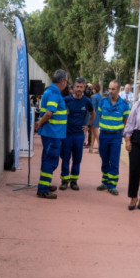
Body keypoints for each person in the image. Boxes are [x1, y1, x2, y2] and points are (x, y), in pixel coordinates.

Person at [34, 70, 69, 199]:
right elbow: (49, 113)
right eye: (66, 81)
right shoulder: (54, 93)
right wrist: (40, 124)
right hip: (53, 133)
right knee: (51, 160)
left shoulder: (49, 91)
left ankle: (45, 184)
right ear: (62, 81)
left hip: (51, 133)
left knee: (47, 159)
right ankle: (43, 189)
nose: (66, 83)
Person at [96, 80, 130, 195]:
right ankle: (105, 182)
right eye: (109, 89)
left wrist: (126, 137)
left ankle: (112, 184)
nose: (110, 91)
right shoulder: (102, 102)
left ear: (118, 90)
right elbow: (100, 116)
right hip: (104, 135)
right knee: (104, 159)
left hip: (116, 136)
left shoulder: (124, 105)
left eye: (113, 89)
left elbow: (126, 122)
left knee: (114, 161)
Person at [60, 78, 94, 191]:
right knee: (65, 158)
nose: (79, 89)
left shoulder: (87, 101)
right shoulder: (66, 100)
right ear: (74, 87)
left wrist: (88, 126)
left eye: (81, 87)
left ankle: (74, 181)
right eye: (77, 86)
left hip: (79, 135)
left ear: (84, 88)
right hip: (67, 134)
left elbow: (92, 113)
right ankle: (64, 180)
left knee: (77, 159)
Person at [89, 83, 102, 154]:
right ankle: (91, 147)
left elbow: (92, 107)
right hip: (98, 114)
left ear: (94, 89)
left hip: (94, 115)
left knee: (95, 132)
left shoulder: (94, 97)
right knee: (93, 132)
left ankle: (100, 148)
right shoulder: (100, 96)